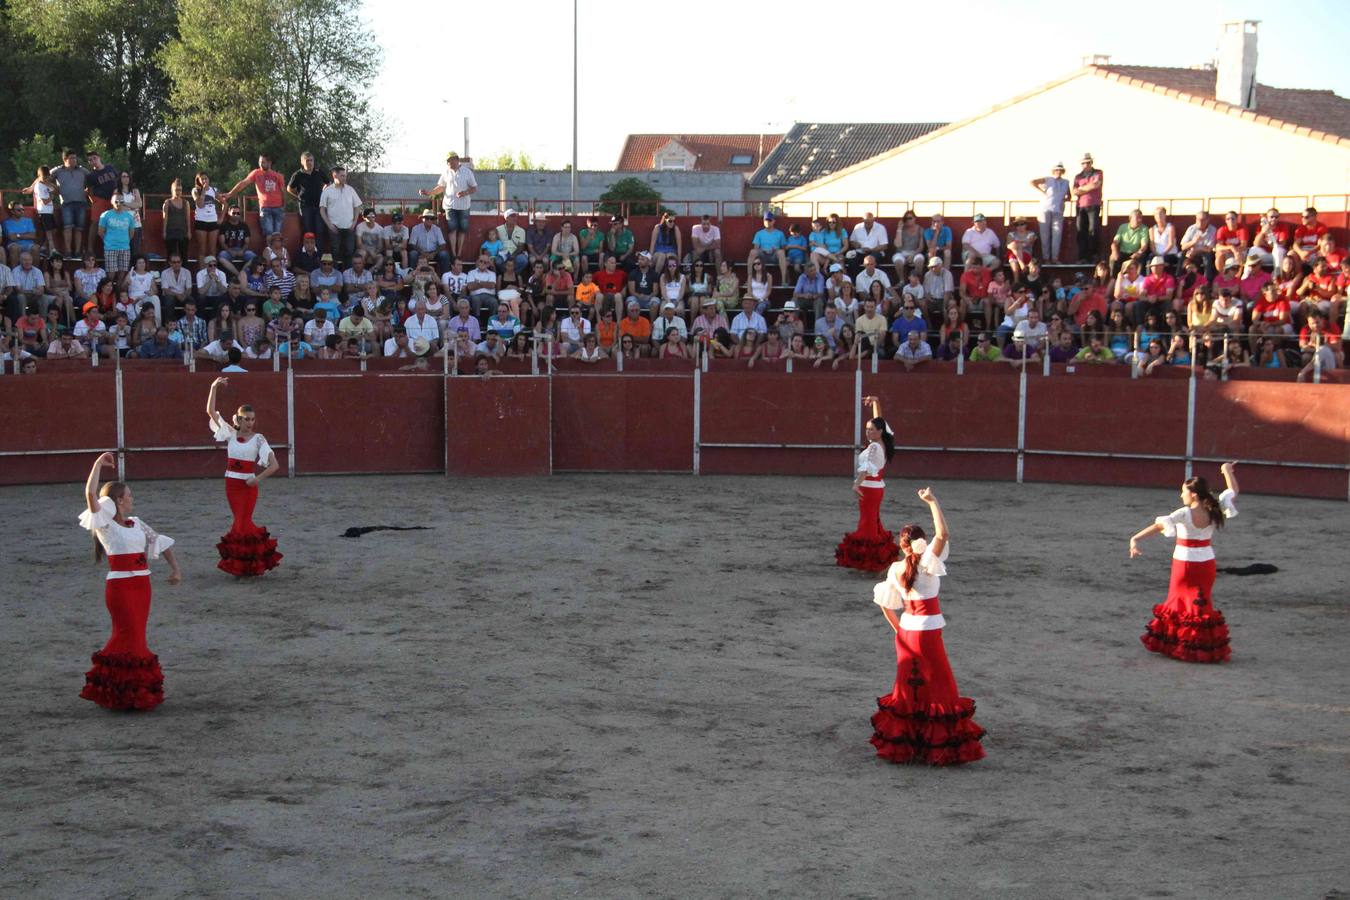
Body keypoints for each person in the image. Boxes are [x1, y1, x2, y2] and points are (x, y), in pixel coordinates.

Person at [869, 487, 986, 766]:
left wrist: (900, 631)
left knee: (908, 690)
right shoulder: (928, 562)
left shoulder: (895, 569)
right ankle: (938, 746)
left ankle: (906, 745)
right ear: (922, 542)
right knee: (940, 686)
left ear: (902, 546)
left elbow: (885, 604)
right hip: (928, 632)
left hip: (907, 633)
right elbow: (943, 534)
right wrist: (933, 501)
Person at [77, 451, 181, 711]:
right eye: (130, 496)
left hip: (142, 586)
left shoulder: (137, 523)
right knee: (128, 633)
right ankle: (120, 687)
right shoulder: (105, 526)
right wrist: (97, 464)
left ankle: (126, 688)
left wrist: (175, 569)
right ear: (119, 500)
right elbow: (90, 494)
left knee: (137, 635)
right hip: (121, 587)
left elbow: (159, 541)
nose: (133, 499)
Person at [1130, 463, 1240, 663]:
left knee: (1179, 602)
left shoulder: (1184, 513)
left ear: (1194, 495)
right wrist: (1226, 471)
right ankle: (1203, 646)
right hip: (1207, 563)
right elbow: (1233, 491)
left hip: (1185, 563)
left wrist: (1135, 538)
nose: (1182, 495)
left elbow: (1158, 526)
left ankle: (1180, 644)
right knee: (1201, 604)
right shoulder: (1215, 509)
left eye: (1184, 492)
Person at [206, 377, 283, 577]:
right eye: (246, 419)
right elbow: (211, 412)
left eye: (252, 419)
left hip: (248, 486)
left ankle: (242, 564)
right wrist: (214, 387)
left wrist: (257, 479)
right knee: (241, 523)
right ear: (239, 420)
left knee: (241, 522)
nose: (250, 423)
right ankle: (250, 563)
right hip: (232, 485)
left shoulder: (258, 439)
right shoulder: (230, 434)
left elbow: (274, 465)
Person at [836, 396, 901, 572]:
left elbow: (865, 469)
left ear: (879, 431)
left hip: (869, 489)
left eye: (871, 429)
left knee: (868, 523)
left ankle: (872, 561)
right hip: (877, 487)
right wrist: (876, 403)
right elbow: (880, 421)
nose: (868, 432)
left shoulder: (873, 447)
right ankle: (878, 558)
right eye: (867, 429)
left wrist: (856, 484)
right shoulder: (883, 442)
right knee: (873, 520)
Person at [419, 151, 477, 258]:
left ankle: (459, 253)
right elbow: (441, 187)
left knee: (462, 229)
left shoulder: (467, 172)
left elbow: (474, 188)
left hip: (464, 205)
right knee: (452, 229)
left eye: (450, 160)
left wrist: (465, 193)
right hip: (449, 205)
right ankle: (454, 254)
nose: (448, 163)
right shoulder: (446, 172)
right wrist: (429, 193)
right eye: (447, 161)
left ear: (456, 160)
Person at [221, 154, 287, 237]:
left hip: (278, 207)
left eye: (263, 162)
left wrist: (284, 206)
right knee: (268, 232)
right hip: (265, 207)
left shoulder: (278, 176)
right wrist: (230, 193)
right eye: (260, 162)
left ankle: (276, 245)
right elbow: (243, 183)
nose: (261, 164)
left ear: (269, 163)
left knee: (277, 234)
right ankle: (269, 245)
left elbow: (284, 191)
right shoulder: (256, 173)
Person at [1031, 162, 1071, 262]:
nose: (1058, 172)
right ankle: (1046, 258)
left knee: (1057, 235)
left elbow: (1069, 196)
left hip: (1058, 210)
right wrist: (1042, 191)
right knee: (1045, 235)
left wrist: (1063, 200)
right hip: (1045, 209)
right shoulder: (1048, 179)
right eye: (1056, 170)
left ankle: (1054, 258)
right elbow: (1032, 182)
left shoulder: (1066, 182)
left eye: (1060, 170)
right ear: (1053, 171)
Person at [1072, 153, 1103, 263]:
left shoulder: (1098, 172)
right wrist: (1087, 188)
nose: (1086, 165)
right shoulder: (1078, 176)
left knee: (1093, 230)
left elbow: (1095, 185)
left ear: (1091, 163)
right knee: (1081, 232)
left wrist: (1081, 189)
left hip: (1093, 204)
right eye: (1083, 163)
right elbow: (1074, 191)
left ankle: (1093, 256)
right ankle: (1082, 257)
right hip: (1080, 206)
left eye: (1088, 162)